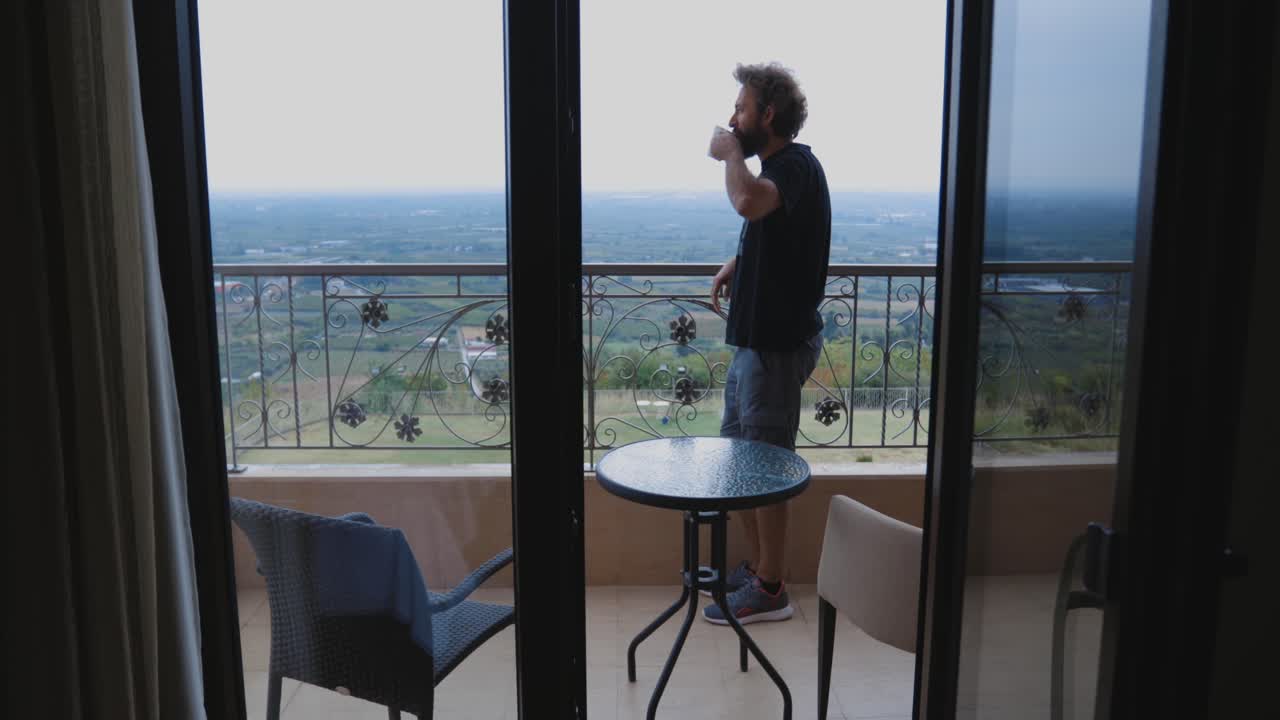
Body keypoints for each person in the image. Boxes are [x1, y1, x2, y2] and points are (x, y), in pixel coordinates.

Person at [703, 63, 831, 625]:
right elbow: (772, 225)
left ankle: (773, 588)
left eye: (741, 108)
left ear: (768, 114)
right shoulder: (780, 171)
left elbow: (749, 202)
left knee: (766, 467)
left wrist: (731, 154)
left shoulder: (795, 163)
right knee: (740, 460)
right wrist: (742, 261)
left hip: (776, 349)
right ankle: (757, 569)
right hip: (755, 346)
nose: (734, 118)